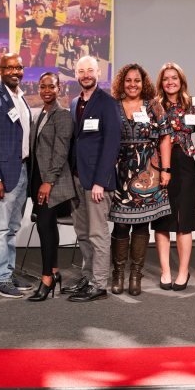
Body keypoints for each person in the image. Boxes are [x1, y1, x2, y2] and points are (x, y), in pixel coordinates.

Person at [108, 64, 172, 296]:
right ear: (121, 83)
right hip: (119, 173)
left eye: (136, 80)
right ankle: (118, 273)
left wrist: (166, 169)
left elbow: (165, 138)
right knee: (121, 224)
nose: (132, 85)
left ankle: (136, 275)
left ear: (142, 82)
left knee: (142, 224)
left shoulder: (153, 105)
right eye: (128, 81)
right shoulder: (112, 106)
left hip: (148, 173)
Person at [0, 52, 35, 298]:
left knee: (12, 228)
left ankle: (8, 272)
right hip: (3, 175)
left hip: (22, 170)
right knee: (0, 229)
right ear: (0, 70)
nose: (14, 72)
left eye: (18, 67)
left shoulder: (20, 98)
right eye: (9, 67)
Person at [64, 56, 121, 302]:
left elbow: (111, 144)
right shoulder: (75, 102)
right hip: (77, 179)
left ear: (98, 73)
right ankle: (87, 278)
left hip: (97, 182)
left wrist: (100, 181)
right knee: (83, 233)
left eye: (90, 70)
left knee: (98, 234)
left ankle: (99, 284)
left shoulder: (107, 103)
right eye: (81, 71)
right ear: (75, 74)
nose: (85, 74)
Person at [27, 71, 75, 301]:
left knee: (45, 226)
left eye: (51, 86)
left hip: (52, 182)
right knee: (46, 227)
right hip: (39, 180)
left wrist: (48, 182)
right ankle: (54, 272)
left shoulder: (62, 115)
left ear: (60, 88)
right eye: (43, 86)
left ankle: (46, 279)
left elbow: (60, 152)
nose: (47, 90)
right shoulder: (40, 114)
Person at [152, 63, 195, 291]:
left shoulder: (192, 103)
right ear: (161, 82)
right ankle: (165, 271)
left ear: (181, 81)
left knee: (184, 220)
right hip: (160, 164)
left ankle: (183, 271)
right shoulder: (154, 105)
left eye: (175, 78)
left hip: (186, 164)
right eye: (166, 78)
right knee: (162, 220)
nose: (170, 82)